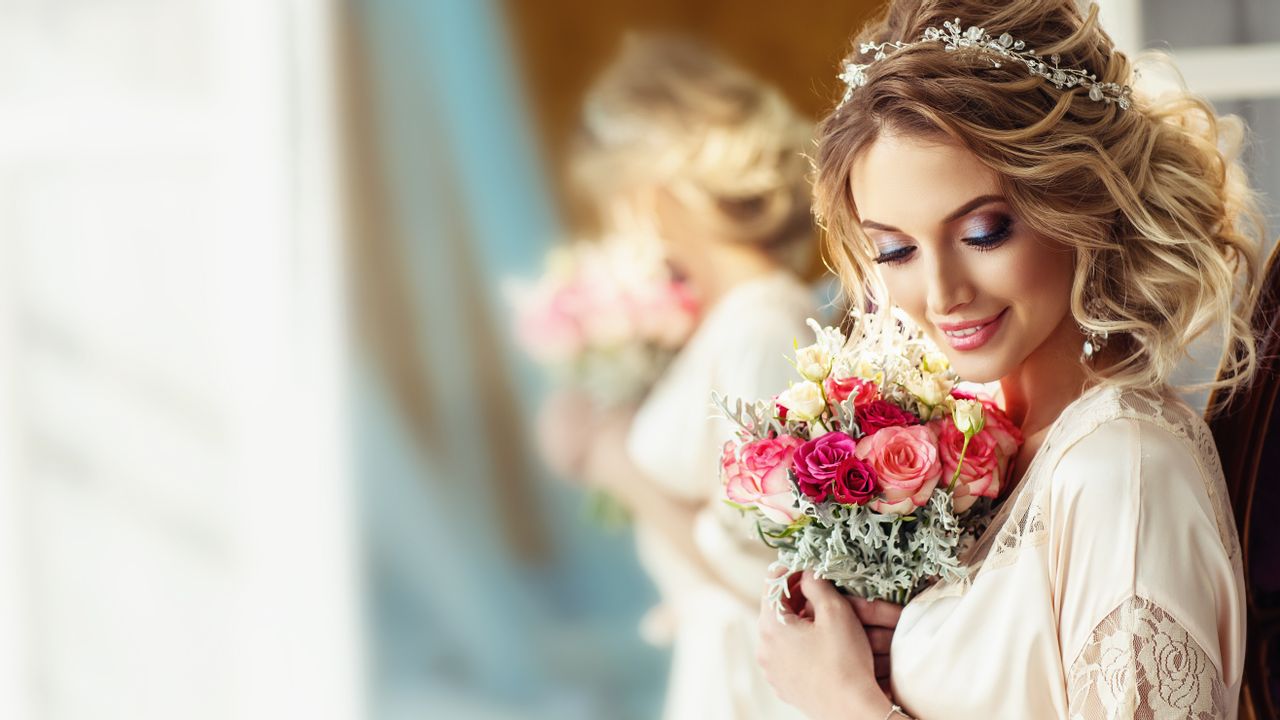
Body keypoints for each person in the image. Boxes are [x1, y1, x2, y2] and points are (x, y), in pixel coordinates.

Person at [754, 1, 1265, 718]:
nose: (941, 294)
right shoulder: (990, 450)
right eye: (895, 250)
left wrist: (841, 700)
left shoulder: (1122, 469)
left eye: (984, 231)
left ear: (1079, 202)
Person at [536, 35, 820, 720]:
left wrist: (614, 460)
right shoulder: (728, 323)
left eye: (615, 204)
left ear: (652, 195)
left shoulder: (760, 332)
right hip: (716, 669)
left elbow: (772, 575)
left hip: (753, 687)